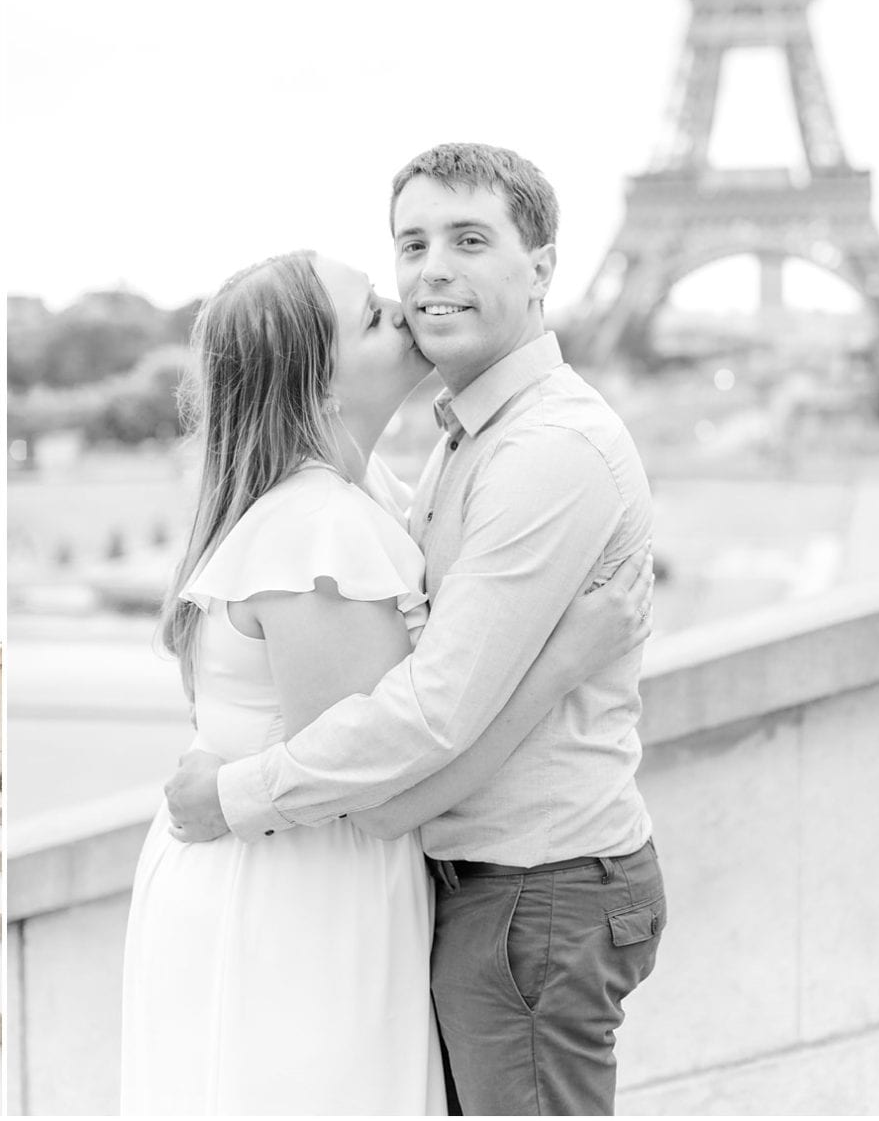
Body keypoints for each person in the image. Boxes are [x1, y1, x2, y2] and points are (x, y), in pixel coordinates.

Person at [162, 143, 665, 1115]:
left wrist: (235, 792)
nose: (429, 272)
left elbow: (425, 724)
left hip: (534, 887)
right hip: (503, 886)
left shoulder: (543, 449)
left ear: (543, 266)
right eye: (411, 246)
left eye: (471, 238)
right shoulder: (439, 448)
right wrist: (565, 658)